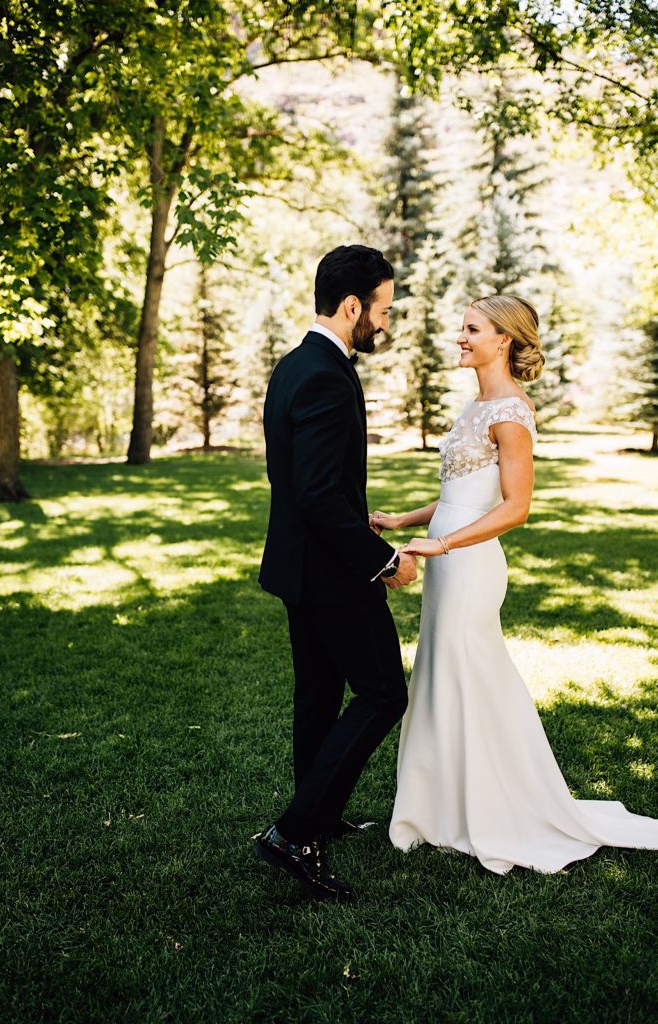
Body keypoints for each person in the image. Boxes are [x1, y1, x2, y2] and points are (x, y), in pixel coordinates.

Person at [372, 294, 658, 874]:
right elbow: (459, 495)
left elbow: (517, 507)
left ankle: (498, 806)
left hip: (471, 564)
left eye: (472, 329)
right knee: (442, 673)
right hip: (448, 555)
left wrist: (445, 544)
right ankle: (440, 804)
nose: (460, 336)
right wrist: (402, 522)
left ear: (504, 339)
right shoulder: (477, 403)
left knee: (471, 674)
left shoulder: (509, 410)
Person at [254, 245, 418, 901]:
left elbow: (303, 483)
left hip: (302, 565)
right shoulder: (324, 373)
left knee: (319, 698)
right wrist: (381, 561)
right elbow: (318, 492)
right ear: (352, 306)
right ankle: (294, 832)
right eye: (380, 309)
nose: (382, 322)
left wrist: (359, 519)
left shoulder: (295, 365)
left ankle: (314, 819)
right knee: (383, 694)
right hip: (329, 573)